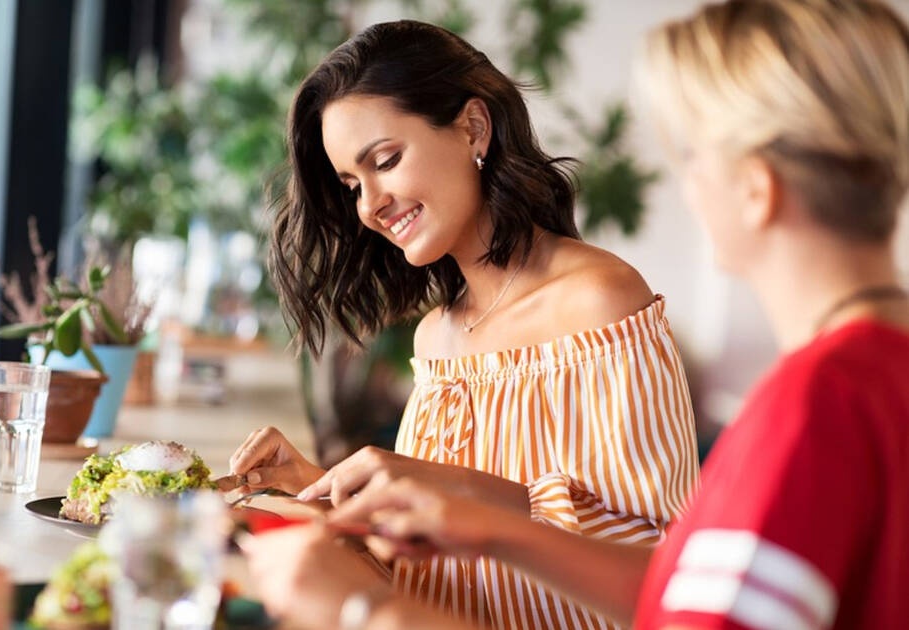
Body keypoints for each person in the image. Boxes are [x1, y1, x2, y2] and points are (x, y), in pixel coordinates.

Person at [243, 1, 909, 629]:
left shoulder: (810, 408)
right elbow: (680, 594)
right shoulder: (862, 380)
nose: (368, 207)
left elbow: (666, 592)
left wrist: (364, 607)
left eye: (692, 157)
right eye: (353, 186)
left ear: (756, 189)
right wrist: (353, 503)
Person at [230, 18, 699, 630]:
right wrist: (319, 493)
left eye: (386, 160)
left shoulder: (599, 302)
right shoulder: (437, 339)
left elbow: (665, 568)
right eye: (351, 185)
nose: (369, 206)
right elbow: (433, 584)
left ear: (473, 128)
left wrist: (445, 487)